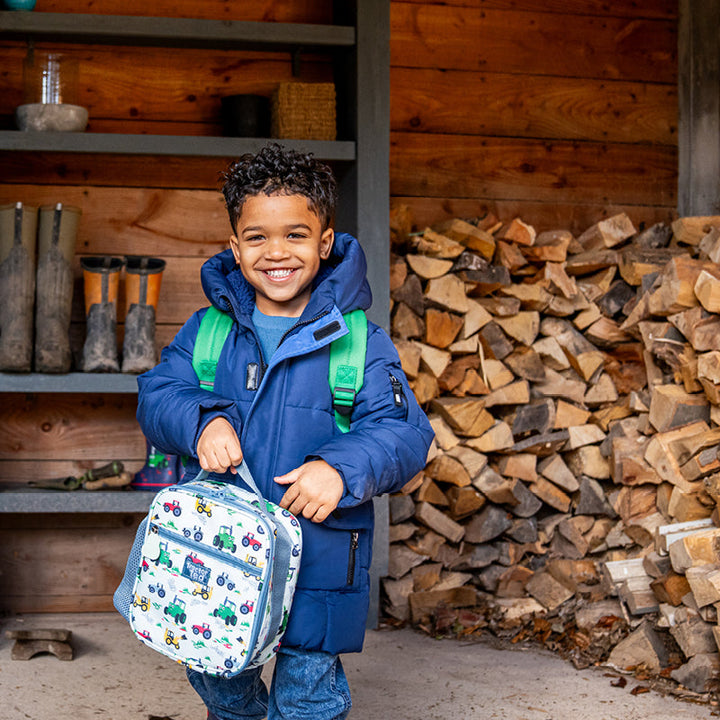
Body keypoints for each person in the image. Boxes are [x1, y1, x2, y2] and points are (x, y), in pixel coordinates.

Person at [136, 143, 434, 720]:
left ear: (324, 243)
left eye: (296, 236)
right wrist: (202, 419)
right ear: (235, 246)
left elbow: (402, 430)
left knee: (306, 695)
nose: (277, 253)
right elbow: (158, 394)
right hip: (218, 555)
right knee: (218, 678)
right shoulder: (209, 330)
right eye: (257, 237)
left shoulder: (358, 341)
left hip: (319, 558)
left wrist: (340, 469)